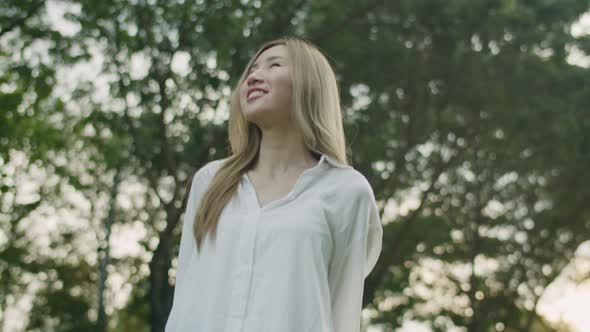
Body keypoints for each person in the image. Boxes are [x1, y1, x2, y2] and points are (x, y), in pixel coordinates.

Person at [165, 36, 383, 332]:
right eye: (251, 70)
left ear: (309, 84)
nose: (254, 76)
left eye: (274, 65)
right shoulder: (210, 182)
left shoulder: (347, 192)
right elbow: (186, 296)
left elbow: (342, 308)